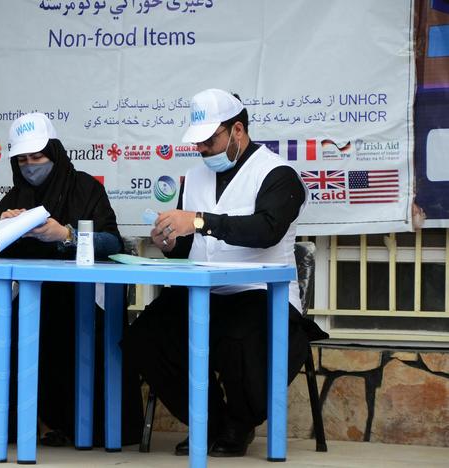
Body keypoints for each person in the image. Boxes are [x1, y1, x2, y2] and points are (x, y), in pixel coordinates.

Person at [122, 89, 327, 457]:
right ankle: (209, 421)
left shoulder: (279, 174)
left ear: (237, 130)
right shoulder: (193, 176)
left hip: (260, 291)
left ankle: (239, 423)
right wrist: (169, 242)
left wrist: (199, 221)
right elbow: (191, 246)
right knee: (145, 337)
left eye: (210, 140)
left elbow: (267, 229)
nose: (202, 149)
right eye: (197, 142)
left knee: (238, 339)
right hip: (205, 289)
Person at [0, 112, 144, 447]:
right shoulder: (15, 198)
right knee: (31, 307)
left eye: (37, 157)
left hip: (89, 305)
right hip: (40, 306)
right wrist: (2, 232)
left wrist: (65, 235)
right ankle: (40, 416)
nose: (30, 165)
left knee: (39, 306)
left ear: (54, 153)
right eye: (22, 159)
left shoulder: (86, 189)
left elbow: (112, 243)